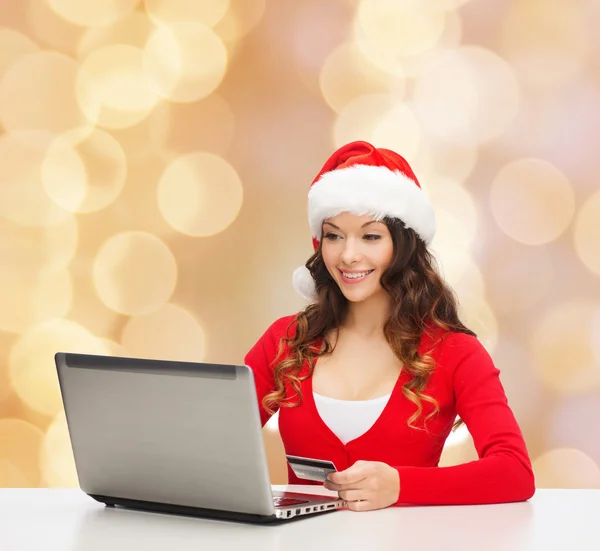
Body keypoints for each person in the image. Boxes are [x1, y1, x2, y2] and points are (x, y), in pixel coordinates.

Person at [244, 140, 535, 511]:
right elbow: (214, 440)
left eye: (370, 236)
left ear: (404, 245)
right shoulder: (287, 339)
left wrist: (402, 485)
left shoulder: (455, 352)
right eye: (333, 235)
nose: (348, 255)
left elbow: (515, 472)